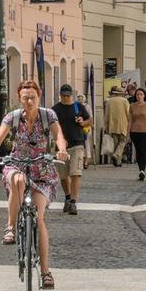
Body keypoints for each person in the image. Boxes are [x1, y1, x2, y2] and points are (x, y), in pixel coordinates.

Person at [0, 80, 68, 290]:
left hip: (42, 170)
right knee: (18, 180)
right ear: (19, 99)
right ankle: (11, 227)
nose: (29, 101)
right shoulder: (12, 117)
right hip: (17, 164)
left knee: (39, 218)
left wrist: (61, 149)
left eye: (32, 97)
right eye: (25, 98)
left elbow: (59, 135)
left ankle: (45, 272)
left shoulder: (47, 115)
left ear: (38, 96)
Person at [54, 84, 91, 215]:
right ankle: (68, 197)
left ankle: (73, 203)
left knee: (76, 173)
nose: (65, 98)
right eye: (63, 95)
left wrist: (82, 121)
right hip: (60, 147)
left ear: (72, 95)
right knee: (63, 176)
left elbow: (89, 121)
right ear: (60, 95)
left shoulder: (78, 107)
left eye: (67, 95)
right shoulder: (55, 109)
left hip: (77, 143)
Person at [128, 87, 146, 180]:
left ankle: (143, 170)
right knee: (138, 151)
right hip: (134, 131)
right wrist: (128, 133)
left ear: (144, 96)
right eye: (137, 94)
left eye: (141, 94)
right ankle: (140, 170)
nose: (139, 96)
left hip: (145, 131)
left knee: (143, 150)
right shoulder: (132, 106)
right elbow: (130, 121)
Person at [104, 86, 131, 166]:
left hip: (112, 125)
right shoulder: (125, 101)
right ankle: (116, 156)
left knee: (115, 142)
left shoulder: (109, 101)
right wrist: (130, 122)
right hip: (123, 124)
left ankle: (118, 161)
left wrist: (106, 125)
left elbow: (106, 115)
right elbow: (128, 113)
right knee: (123, 141)